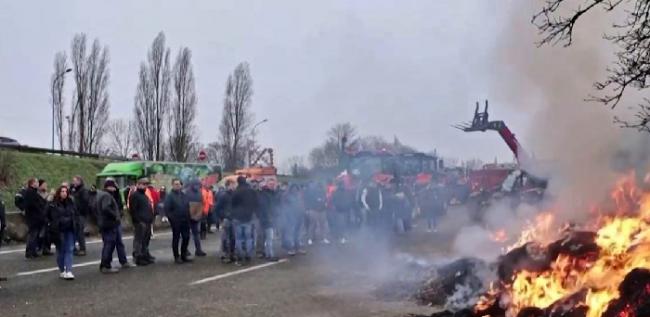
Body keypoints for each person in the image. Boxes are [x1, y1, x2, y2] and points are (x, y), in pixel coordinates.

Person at [92, 180, 133, 273]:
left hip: (106, 223)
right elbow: (106, 208)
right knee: (109, 244)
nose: (115, 188)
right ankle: (105, 265)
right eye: (113, 186)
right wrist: (115, 215)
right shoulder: (106, 196)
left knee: (112, 243)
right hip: (109, 223)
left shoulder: (101, 195)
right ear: (109, 187)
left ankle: (111, 263)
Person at [47, 185, 77, 280]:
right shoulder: (53, 204)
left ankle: (68, 270)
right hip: (59, 230)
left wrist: (74, 222)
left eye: (66, 191)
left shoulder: (70, 202)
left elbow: (75, 213)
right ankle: (62, 270)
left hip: (70, 229)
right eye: (62, 191)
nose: (64, 193)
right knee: (61, 251)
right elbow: (50, 216)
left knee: (70, 249)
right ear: (59, 193)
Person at [231, 176, 259, 266]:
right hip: (249, 217)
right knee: (249, 238)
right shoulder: (251, 191)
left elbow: (232, 203)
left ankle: (240, 256)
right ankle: (248, 255)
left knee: (239, 238)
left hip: (238, 217)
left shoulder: (236, 191)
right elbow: (256, 203)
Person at [163, 179, 193, 264]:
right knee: (176, 238)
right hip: (176, 221)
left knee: (186, 237)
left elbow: (187, 206)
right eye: (175, 184)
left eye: (179, 184)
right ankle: (176, 256)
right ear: (172, 185)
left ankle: (184, 255)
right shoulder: (170, 196)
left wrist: (189, 217)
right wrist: (172, 219)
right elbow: (167, 209)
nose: (177, 186)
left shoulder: (183, 195)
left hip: (185, 220)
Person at [129, 178, 155, 266]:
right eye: (143, 184)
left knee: (145, 240)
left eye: (146, 184)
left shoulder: (144, 195)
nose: (145, 186)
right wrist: (138, 221)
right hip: (140, 222)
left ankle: (145, 255)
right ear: (138, 184)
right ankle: (138, 257)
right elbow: (133, 210)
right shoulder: (135, 195)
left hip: (147, 221)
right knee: (139, 241)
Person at [24, 178, 47, 258]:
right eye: (36, 182)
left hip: (35, 217)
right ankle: (30, 252)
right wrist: (40, 210)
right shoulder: (30, 192)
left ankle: (33, 251)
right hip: (33, 217)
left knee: (35, 234)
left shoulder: (33, 192)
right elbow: (33, 205)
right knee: (33, 235)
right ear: (32, 184)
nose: (38, 183)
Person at [282, 184, 307, 256]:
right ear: (291, 189)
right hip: (290, 217)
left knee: (298, 233)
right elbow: (284, 207)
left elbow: (302, 205)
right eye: (293, 188)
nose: (295, 190)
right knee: (290, 234)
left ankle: (298, 247)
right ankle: (290, 248)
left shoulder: (299, 196)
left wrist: (303, 212)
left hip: (299, 216)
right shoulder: (286, 196)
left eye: (296, 188)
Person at [215, 179, 236, 263]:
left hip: (234, 219)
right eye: (232, 184)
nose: (234, 186)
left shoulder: (235, 195)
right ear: (228, 185)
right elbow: (217, 208)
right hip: (226, 219)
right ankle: (225, 254)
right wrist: (223, 216)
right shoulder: (223, 195)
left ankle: (232, 254)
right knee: (225, 238)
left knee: (233, 238)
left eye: (234, 184)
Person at [257, 182, 279, 261]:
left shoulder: (265, 195)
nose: (273, 186)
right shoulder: (266, 195)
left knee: (267, 237)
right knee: (269, 238)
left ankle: (267, 254)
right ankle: (270, 255)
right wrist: (269, 218)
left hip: (266, 219)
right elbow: (265, 208)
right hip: (267, 219)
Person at [70, 176, 90, 256]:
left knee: (79, 232)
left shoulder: (83, 190)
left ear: (79, 181)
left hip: (80, 214)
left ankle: (82, 249)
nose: (73, 182)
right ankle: (74, 248)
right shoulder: (75, 190)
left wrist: (79, 209)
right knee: (75, 231)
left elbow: (85, 202)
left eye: (75, 181)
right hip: (75, 213)